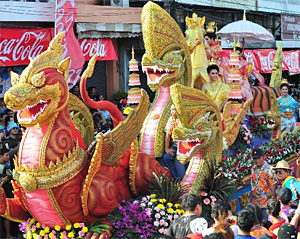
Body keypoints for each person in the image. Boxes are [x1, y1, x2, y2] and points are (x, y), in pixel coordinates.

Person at [242, 147, 276, 214]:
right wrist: (243, 183)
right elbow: (254, 180)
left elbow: (273, 185)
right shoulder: (253, 168)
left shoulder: (269, 169)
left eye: (259, 158)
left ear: (264, 157)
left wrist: (273, 201)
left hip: (266, 203)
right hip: (256, 203)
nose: (257, 160)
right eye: (255, 158)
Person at [163, 104, 185, 180]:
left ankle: (186, 179)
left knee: (186, 158)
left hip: (185, 144)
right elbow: (168, 134)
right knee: (166, 157)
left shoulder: (184, 119)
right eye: (171, 110)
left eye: (174, 110)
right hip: (176, 145)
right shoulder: (171, 120)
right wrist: (167, 149)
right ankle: (176, 179)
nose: (172, 112)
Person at [0, 147, 13, 239]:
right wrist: (3, 181)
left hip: (7, 195)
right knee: (6, 215)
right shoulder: (2, 168)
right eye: (6, 155)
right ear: (1, 156)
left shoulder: (5, 166)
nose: (8, 157)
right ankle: (8, 235)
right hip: (3, 197)